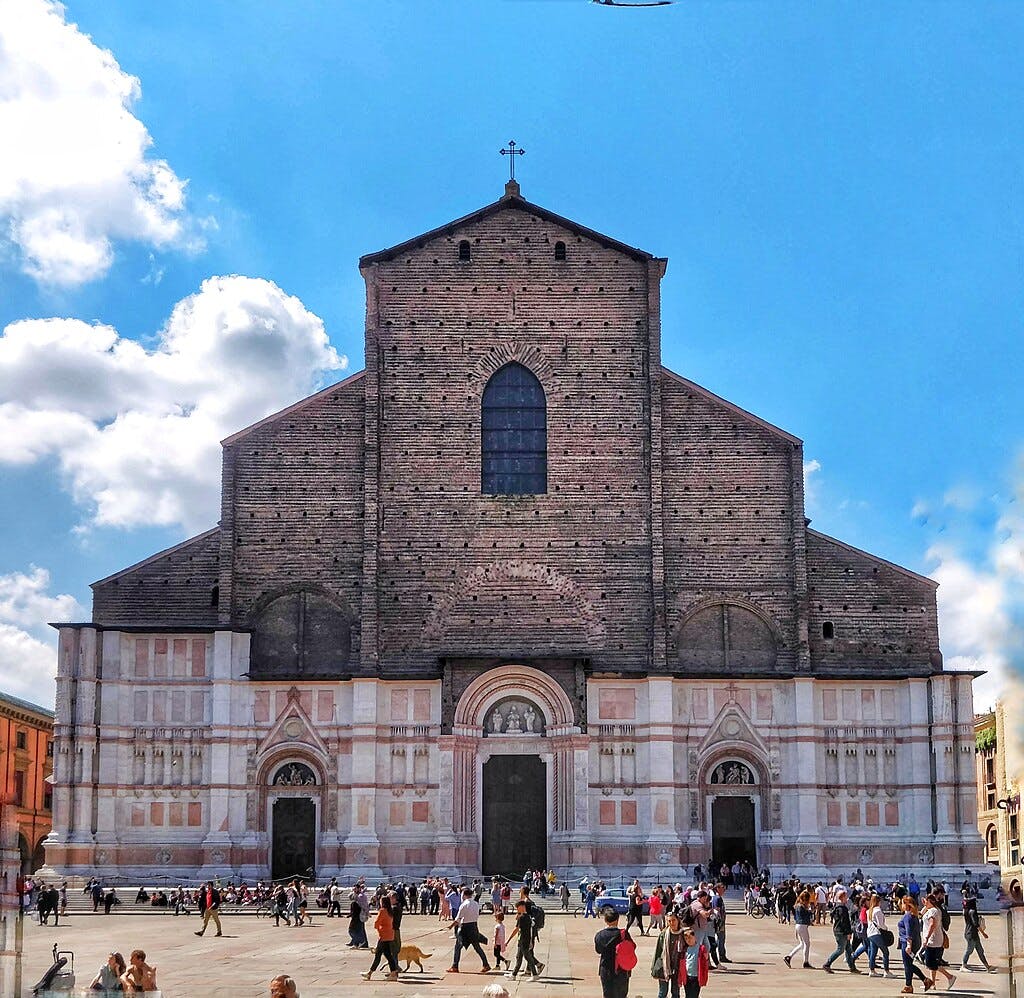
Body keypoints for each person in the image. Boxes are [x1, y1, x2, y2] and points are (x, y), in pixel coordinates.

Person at [448, 886, 491, 974]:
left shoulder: (464, 904)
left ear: (464, 895)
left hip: (465, 928)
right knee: (477, 947)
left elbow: (458, 919)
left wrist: (451, 926)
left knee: (458, 947)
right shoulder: (475, 903)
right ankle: (486, 964)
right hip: (474, 926)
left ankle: (455, 966)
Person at [921, 893, 956, 991]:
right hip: (935, 939)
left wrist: (927, 937)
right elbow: (921, 914)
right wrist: (925, 905)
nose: (925, 903)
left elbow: (932, 924)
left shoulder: (933, 911)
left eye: (926, 901)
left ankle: (949, 976)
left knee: (929, 963)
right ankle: (932, 984)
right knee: (932, 962)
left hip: (933, 940)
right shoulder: (933, 910)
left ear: (930, 902)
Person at [896, 896, 931, 993]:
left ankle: (921, 981)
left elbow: (909, 932)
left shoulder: (908, 916)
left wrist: (908, 944)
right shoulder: (914, 916)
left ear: (907, 905)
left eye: (903, 903)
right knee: (909, 964)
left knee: (907, 965)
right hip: (915, 942)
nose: (901, 905)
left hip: (908, 942)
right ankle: (910, 985)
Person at [595, 909, 633, 998]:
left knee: (607, 994)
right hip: (622, 969)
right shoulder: (624, 934)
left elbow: (598, 950)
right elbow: (632, 947)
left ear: (605, 920)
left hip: (606, 969)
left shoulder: (600, 935)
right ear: (617, 919)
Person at [361, 895, 399, 981]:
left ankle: (393, 974)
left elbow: (376, 923)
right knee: (379, 955)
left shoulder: (382, 911)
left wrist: (378, 928)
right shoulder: (390, 911)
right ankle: (370, 973)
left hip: (383, 936)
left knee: (387, 956)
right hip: (389, 935)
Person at [822, 887, 860, 974]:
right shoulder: (843, 909)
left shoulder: (836, 907)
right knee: (840, 949)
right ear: (842, 897)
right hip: (841, 931)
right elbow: (845, 922)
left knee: (848, 949)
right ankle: (827, 964)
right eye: (845, 897)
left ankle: (852, 967)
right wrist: (848, 933)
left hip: (838, 929)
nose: (847, 898)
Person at [506, 899, 543, 981]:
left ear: (522, 907)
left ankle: (535, 974)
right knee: (519, 957)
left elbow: (516, 930)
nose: (517, 910)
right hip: (524, 939)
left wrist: (508, 940)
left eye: (518, 908)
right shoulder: (528, 917)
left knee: (528, 958)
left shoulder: (522, 918)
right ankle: (513, 974)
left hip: (523, 940)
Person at [961, 895, 994, 972]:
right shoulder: (972, 912)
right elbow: (976, 924)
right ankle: (963, 965)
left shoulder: (967, 911)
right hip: (971, 934)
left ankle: (987, 966)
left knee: (980, 950)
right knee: (969, 950)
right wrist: (983, 933)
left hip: (972, 933)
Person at [782, 888, 814, 968]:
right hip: (802, 925)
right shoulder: (802, 907)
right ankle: (805, 962)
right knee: (807, 944)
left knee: (802, 944)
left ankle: (789, 957)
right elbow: (805, 917)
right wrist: (810, 911)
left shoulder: (798, 905)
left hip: (798, 925)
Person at [710, 883, 730, 963]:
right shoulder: (718, 898)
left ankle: (721, 954)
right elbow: (717, 911)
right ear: (717, 888)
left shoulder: (715, 898)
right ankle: (722, 955)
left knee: (720, 938)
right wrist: (719, 922)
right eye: (722, 888)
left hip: (718, 922)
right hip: (719, 923)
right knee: (721, 939)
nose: (724, 890)